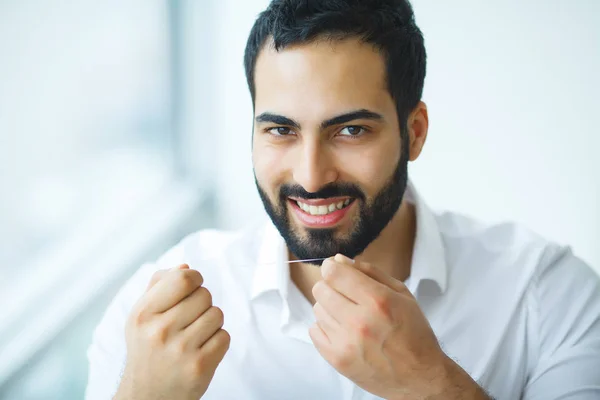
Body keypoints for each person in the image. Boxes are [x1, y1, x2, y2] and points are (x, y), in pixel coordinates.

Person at [85, 0, 600, 399]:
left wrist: (431, 384)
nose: (310, 177)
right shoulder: (154, 317)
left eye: (351, 130)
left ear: (414, 132)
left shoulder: (548, 297)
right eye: (281, 130)